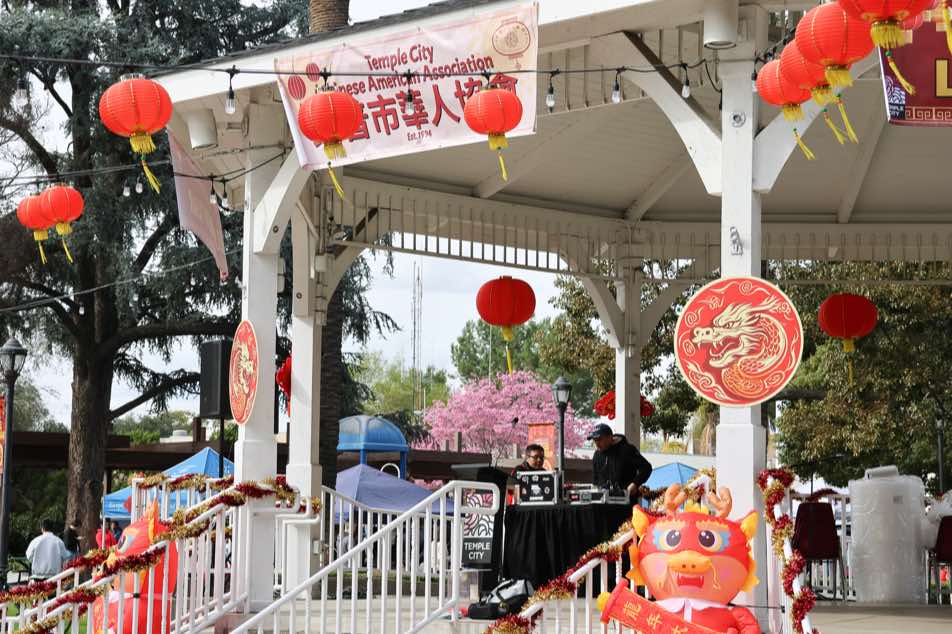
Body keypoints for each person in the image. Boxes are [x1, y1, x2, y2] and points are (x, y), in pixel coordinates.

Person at [588, 423, 652, 499]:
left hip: (626, 500)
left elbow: (646, 468)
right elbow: (595, 480)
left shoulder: (627, 450)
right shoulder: (597, 455)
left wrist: (635, 483)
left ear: (610, 437)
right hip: (603, 501)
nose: (596, 443)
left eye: (599, 439)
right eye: (594, 440)